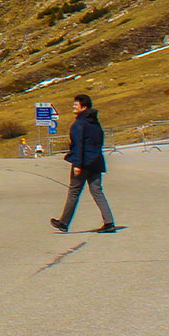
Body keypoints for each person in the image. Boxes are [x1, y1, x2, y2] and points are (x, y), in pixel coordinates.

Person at [51, 94, 114, 233]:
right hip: (96, 161)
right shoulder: (95, 123)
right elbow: (99, 142)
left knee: (74, 191)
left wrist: (78, 165)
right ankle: (109, 221)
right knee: (97, 191)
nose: (73, 107)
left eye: (76, 105)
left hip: (83, 162)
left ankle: (63, 222)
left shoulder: (79, 124)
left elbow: (78, 145)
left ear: (84, 107)